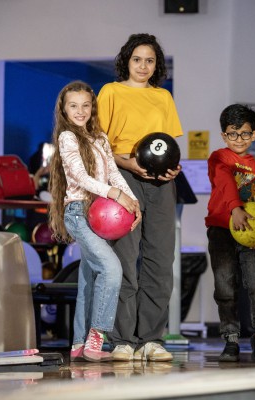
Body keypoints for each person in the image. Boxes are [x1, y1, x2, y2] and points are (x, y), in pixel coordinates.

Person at [97, 33, 183, 362]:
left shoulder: (163, 97)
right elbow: (100, 143)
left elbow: (168, 144)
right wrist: (126, 163)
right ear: (127, 61)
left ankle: (150, 339)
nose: (143, 66)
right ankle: (122, 340)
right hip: (124, 176)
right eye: (137, 59)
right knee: (124, 260)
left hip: (162, 182)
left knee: (160, 262)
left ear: (156, 64)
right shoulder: (111, 92)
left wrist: (173, 169)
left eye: (150, 60)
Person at [48, 81, 141, 363]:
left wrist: (132, 200)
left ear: (93, 107)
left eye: (86, 105)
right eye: (73, 106)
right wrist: (116, 194)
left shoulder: (99, 137)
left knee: (89, 280)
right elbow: (80, 178)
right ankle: (97, 337)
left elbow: (113, 173)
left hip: (100, 214)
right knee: (112, 269)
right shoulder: (67, 137)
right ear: (64, 109)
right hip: (78, 212)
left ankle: (78, 343)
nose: (80, 111)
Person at [205, 104, 255, 363]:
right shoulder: (219, 158)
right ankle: (231, 340)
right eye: (233, 134)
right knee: (225, 287)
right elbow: (223, 182)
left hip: (252, 237)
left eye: (245, 134)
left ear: (253, 135)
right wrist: (235, 208)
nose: (239, 140)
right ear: (224, 135)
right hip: (221, 231)